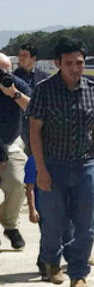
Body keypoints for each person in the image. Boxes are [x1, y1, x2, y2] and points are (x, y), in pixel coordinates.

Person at [26, 38, 94, 287]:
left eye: (80, 63)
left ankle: (78, 272)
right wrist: (40, 170)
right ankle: (51, 261)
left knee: (87, 223)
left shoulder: (93, 90)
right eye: (69, 63)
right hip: (52, 166)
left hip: (84, 165)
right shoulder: (44, 90)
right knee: (54, 223)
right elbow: (34, 132)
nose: (76, 68)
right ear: (57, 64)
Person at [0, 53, 33, 251]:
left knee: (18, 183)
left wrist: (13, 93)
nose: (3, 73)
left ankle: (10, 225)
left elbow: (35, 107)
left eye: (7, 69)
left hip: (11, 142)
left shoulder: (15, 84)